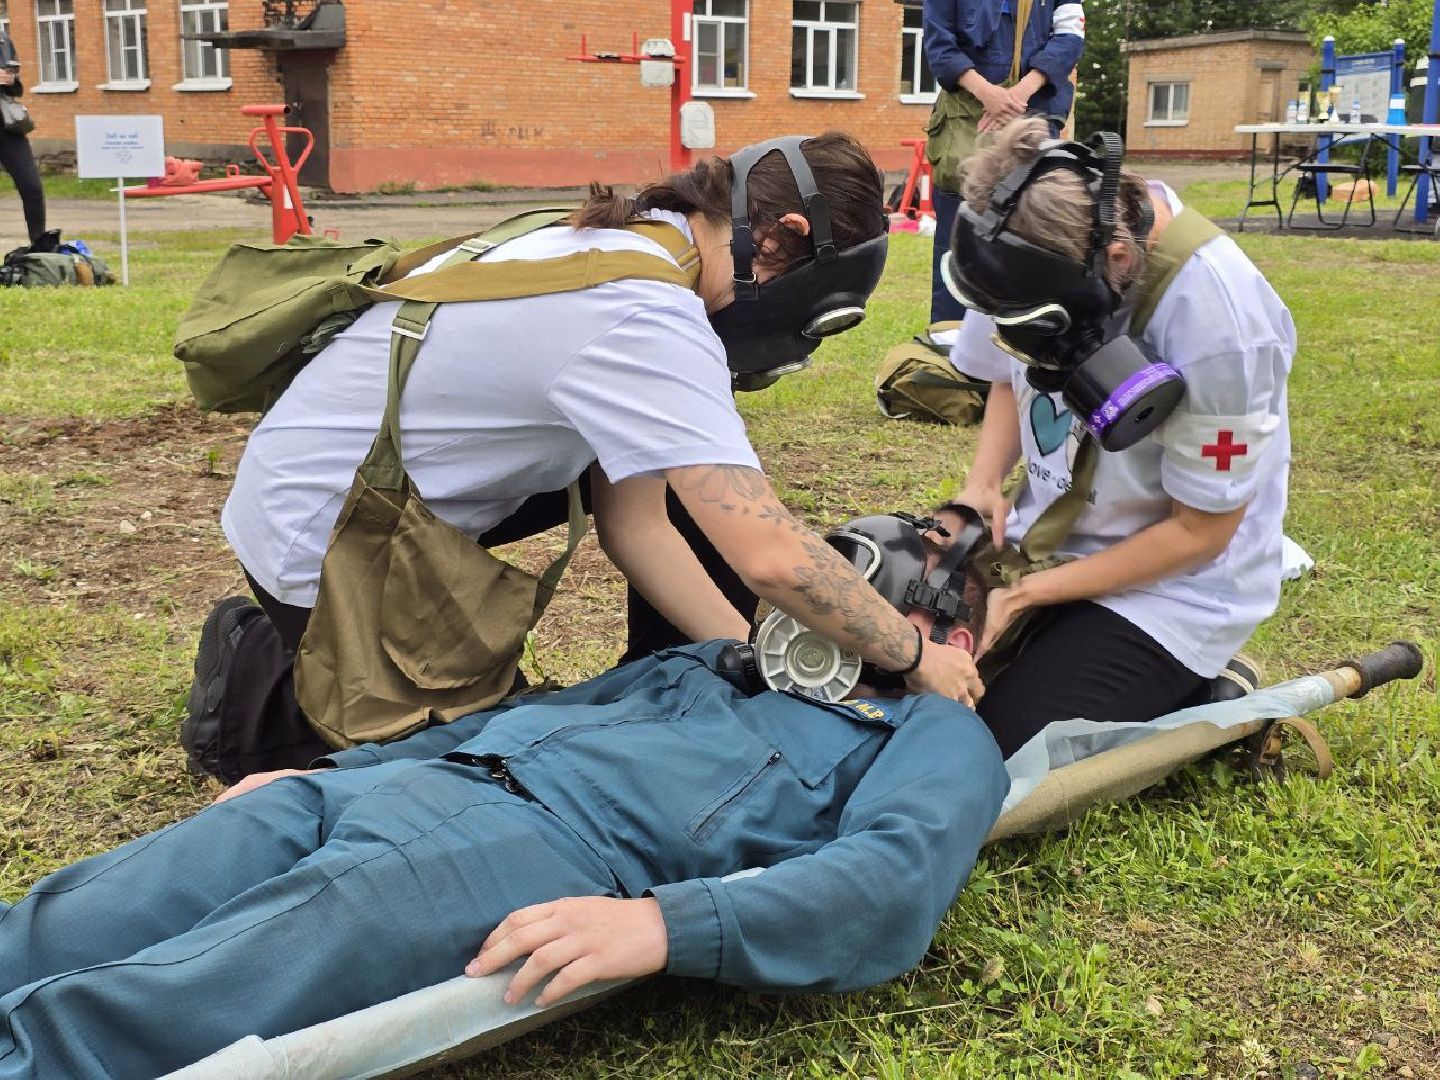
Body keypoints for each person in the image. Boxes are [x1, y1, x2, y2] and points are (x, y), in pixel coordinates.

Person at [0, 514, 1008, 1080]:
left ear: (949, 637)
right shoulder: (712, 662)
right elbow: (519, 715)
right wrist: (327, 775)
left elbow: (895, 876)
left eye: (914, 552)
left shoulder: (934, 733)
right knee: (78, 914)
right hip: (418, 782)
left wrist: (667, 925)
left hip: (518, 852)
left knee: (161, 998)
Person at [190, 134, 984, 781]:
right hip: (325, 536)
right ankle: (252, 690)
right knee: (472, 772)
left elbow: (638, 525)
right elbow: (771, 555)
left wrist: (750, 671)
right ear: (779, 240)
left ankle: (679, 690)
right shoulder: (643, 314)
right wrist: (913, 654)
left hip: (337, 487)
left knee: (695, 474)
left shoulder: (634, 240)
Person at [934, 117, 1294, 759]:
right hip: (1042, 543)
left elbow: (1201, 533)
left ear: (1117, 261)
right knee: (897, 662)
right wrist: (983, 485)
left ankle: (1204, 689)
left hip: (1174, 588)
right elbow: (1003, 371)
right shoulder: (1009, 240)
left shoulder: (1221, 319)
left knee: (991, 751)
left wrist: (1024, 596)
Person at [922, 0, 1085, 332]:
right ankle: (951, 345)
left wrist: (1019, 93)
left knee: (1034, 238)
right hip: (965, 123)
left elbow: (1070, 38)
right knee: (957, 245)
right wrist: (989, 95)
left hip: (1035, 119)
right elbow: (939, 44)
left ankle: (1024, 342)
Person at [0, 32, 47, 248]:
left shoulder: (3, 40)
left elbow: (16, 88)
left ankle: (39, 246)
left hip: (8, 126)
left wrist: (10, 79)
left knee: (32, 187)